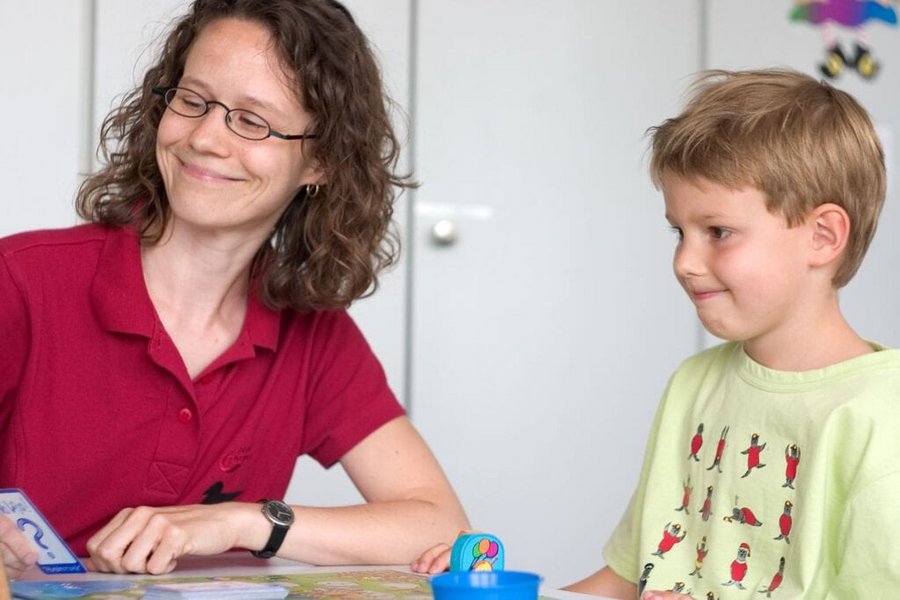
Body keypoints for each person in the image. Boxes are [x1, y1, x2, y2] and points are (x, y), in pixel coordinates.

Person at [0, 0, 468, 578]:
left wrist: (242, 522)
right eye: (192, 101)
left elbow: (442, 527)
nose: (205, 138)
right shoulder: (21, 280)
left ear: (320, 161)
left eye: (251, 121)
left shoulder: (312, 333)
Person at [414, 69, 900, 598]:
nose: (685, 261)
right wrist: (490, 592)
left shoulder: (881, 417)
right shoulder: (694, 384)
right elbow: (629, 578)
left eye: (718, 232)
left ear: (822, 236)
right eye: (679, 231)